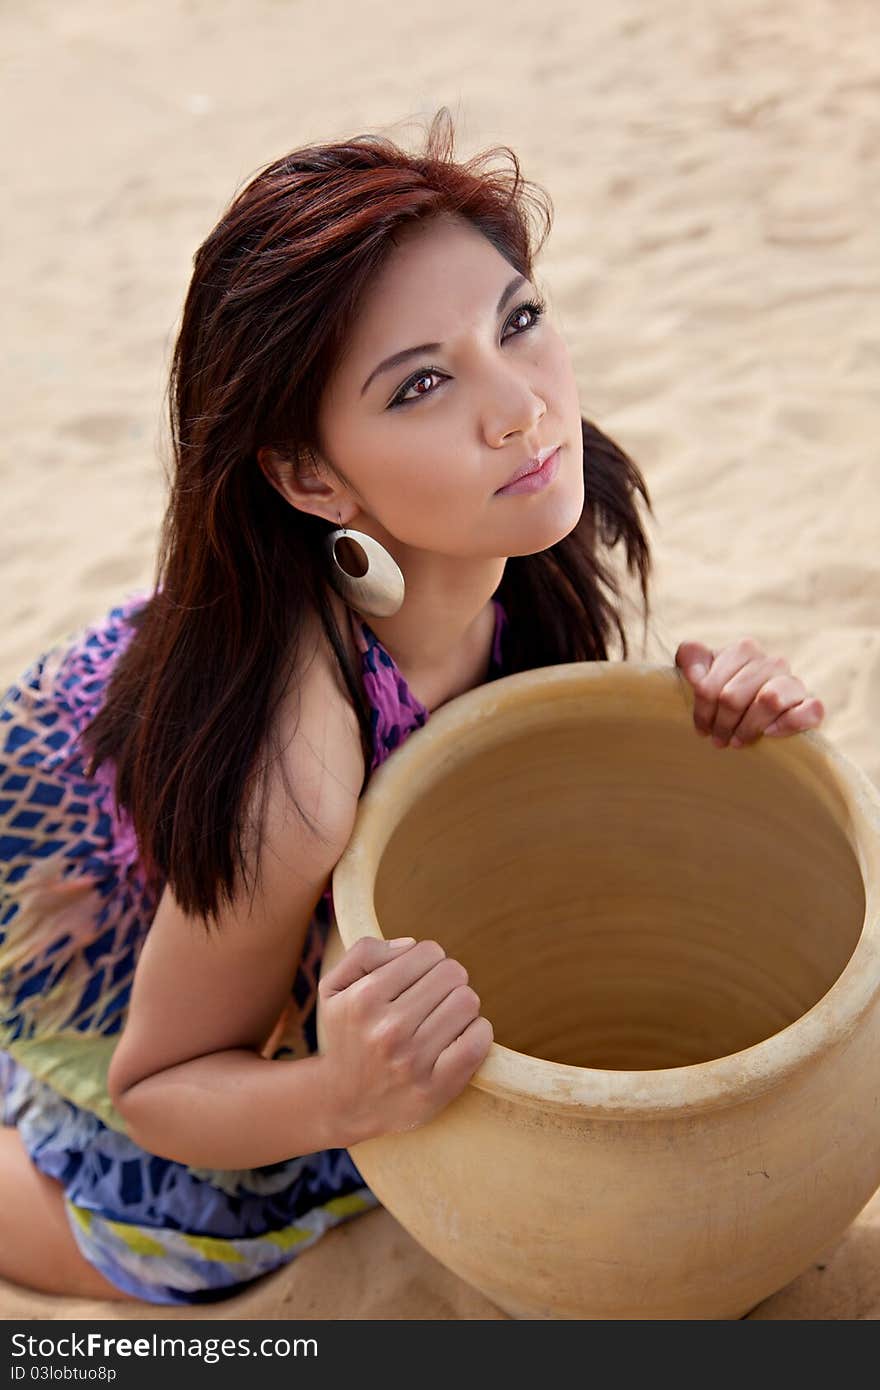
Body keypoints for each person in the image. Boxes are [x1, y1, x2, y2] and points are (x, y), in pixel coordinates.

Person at [0, 108, 825, 1306]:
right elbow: (161, 1083)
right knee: (190, 1258)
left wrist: (705, 711)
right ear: (307, 474)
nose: (520, 408)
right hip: (102, 921)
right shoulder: (298, 766)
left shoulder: (523, 499)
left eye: (519, 321)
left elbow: (524, 732)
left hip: (220, 871)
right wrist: (344, 1095)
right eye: (423, 384)